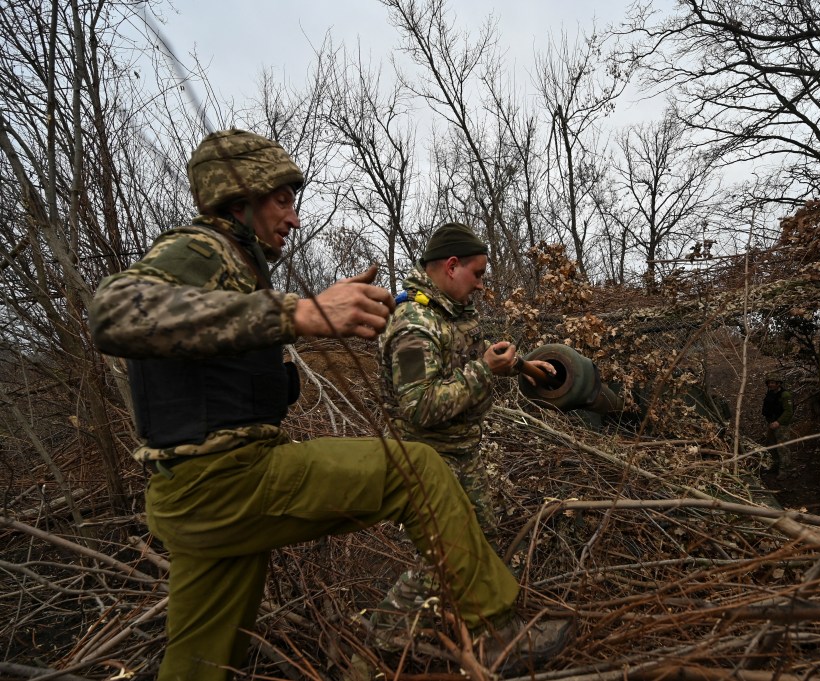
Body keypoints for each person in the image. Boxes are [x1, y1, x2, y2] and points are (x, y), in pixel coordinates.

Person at [88, 129, 570, 681]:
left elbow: (217, 348)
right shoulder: (199, 248)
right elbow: (113, 313)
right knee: (417, 471)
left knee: (199, 665)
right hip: (225, 481)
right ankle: (495, 633)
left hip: (192, 497)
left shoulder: (237, 266)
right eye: (283, 201)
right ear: (238, 200)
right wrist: (299, 312)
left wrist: (314, 315)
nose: (293, 219)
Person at [378, 222, 554, 540]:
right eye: (478, 274)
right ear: (452, 266)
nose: (480, 285)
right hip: (427, 461)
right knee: (441, 567)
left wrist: (522, 365)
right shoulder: (414, 327)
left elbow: (465, 355)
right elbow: (419, 406)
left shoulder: (453, 311)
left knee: (485, 540)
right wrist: (485, 369)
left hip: (463, 451)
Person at [761, 374, 794, 477]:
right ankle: (775, 465)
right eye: (769, 383)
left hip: (781, 426)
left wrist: (778, 422)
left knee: (782, 448)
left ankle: (785, 470)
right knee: (771, 446)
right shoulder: (770, 393)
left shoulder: (785, 395)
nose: (770, 385)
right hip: (771, 423)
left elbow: (788, 412)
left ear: (778, 384)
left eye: (772, 383)